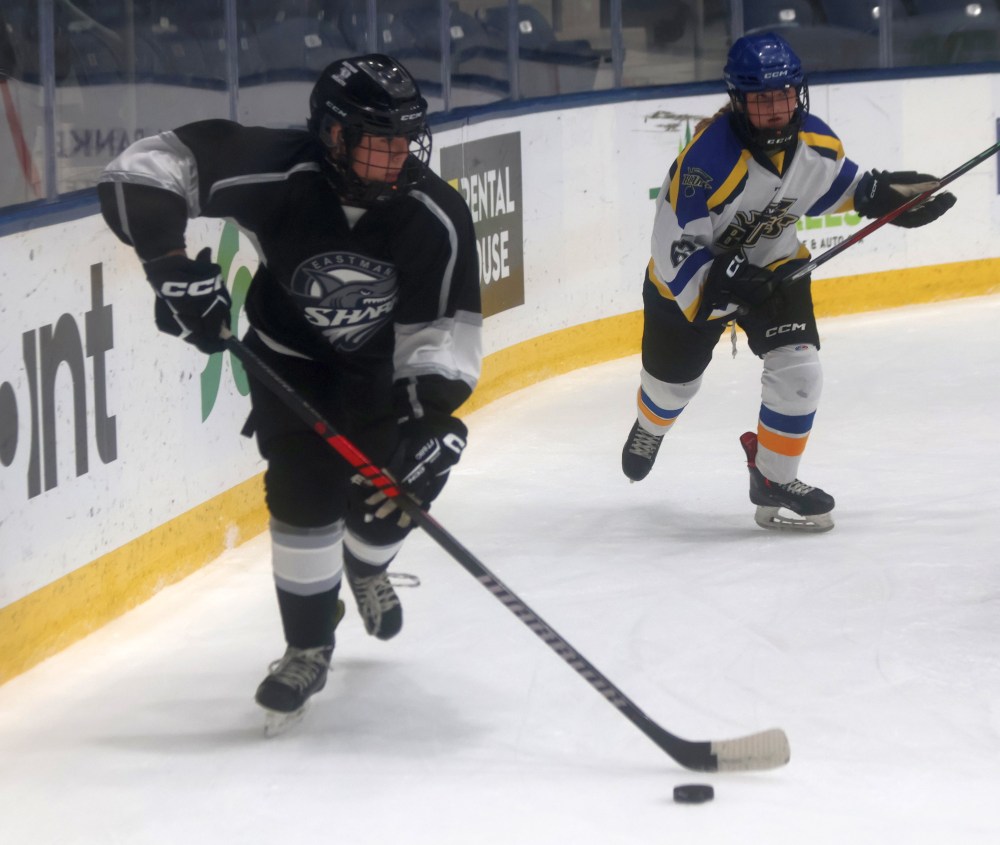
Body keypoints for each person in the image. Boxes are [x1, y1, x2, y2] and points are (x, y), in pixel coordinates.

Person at [98, 55, 482, 728]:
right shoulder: (278, 167)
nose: (399, 155)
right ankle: (307, 646)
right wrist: (169, 265)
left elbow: (441, 336)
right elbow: (143, 168)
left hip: (381, 374)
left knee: (388, 496)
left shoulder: (436, 216)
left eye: (405, 138)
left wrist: (426, 423)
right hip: (288, 362)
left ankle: (366, 567)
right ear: (334, 135)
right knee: (302, 494)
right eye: (379, 138)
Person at [621, 32, 955, 532]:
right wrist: (728, 281)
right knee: (671, 390)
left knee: (800, 376)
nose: (776, 109)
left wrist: (891, 198)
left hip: (776, 272)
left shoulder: (815, 144)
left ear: (799, 93)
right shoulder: (704, 165)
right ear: (739, 102)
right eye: (761, 99)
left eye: (784, 95)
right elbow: (674, 250)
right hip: (690, 286)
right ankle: (651, 427)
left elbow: (849, 189)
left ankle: (773, 479)